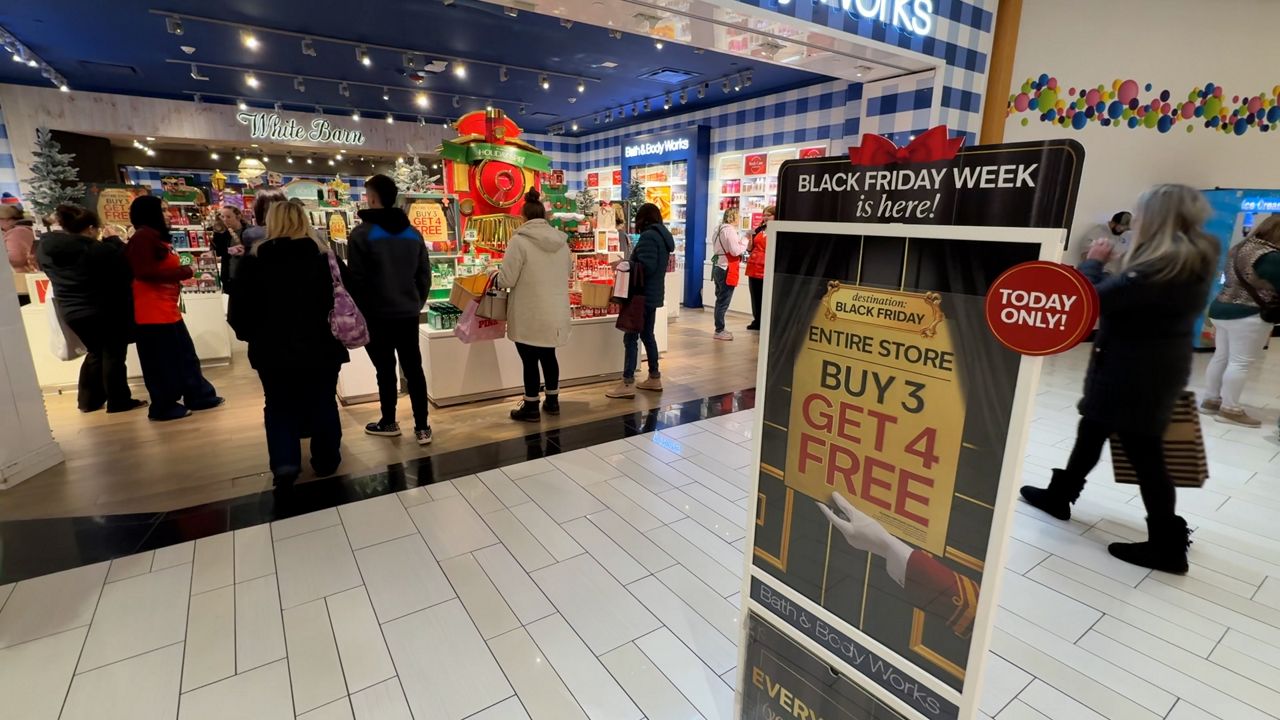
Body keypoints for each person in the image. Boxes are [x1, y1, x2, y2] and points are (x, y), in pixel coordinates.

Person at [1020, 184, 1219, 573]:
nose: (1136, 219)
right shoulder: (1192, 256)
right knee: (1092, 429)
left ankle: (1166, 545)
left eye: (1140, 213)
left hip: (1132, 373)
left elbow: (1088, 301)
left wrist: (1093, 262)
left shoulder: (1155, 269)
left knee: (1144, 454)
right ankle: (1060, 495)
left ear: (1156, 218)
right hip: (1154, 366)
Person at [228, 201, 349, 487]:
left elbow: (238, 314)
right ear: (303, 221)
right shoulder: (325, 258)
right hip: (322, 346)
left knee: (278, 404)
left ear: (272, 223)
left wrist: (252, 335)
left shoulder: (253, 260)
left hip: (271, 350)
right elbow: (349, 295)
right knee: (323, 401)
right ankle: (326, 460)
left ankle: (285, 464)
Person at [347, 175, 433, 445]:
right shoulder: (412, 233)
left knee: (384, 369)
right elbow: (424, 276)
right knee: (414, 369)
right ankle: (422, 427)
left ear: (373, 198)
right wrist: (415, 302)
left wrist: (363, 310)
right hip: (407, 313)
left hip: (376, 315)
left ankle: (389, 421)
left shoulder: (361, 234)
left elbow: (356, 281)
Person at [37, 205, 145, 414]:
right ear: (89, 228)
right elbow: (124, 268)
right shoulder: (95, 249)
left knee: (95, 352)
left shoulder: (46, 249)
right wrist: (114, 240)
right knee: (113, 354)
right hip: (104, 309)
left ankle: (89, 400)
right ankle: (119, 400)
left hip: (71, 311)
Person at [124, 195, 224, 421]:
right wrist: (184, 272)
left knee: (184, 356)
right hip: (151, 312)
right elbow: (145, 272)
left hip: (166, 309)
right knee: (162, 362)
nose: (169, 214)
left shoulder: (154, 237)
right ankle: (164, 405)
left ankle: (197, 395)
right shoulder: (143, 238)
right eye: (163, 210)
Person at [494, 191, 571, 422]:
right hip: (554, 309)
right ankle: (553, 401)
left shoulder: (519, 241)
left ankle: (531, 407)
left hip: (528, 311)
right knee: (549, 356)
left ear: (523, 217)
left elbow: (507, 280)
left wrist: (495, 275)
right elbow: (567, 272)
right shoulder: (561, 243)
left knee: (529, 360)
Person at [1200, 215, 1280, 427]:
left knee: (1221, 357)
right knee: (1240, 362)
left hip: (1222, 307)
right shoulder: (1271, 257)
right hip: (1248, 313)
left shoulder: (1240, 248)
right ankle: (1230, 410)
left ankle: (1211, 400)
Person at [606, 203, 674, 399]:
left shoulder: (649, 236)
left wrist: (624, 264)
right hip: (652, 294)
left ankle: (627, 383)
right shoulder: (662, 236)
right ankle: (654, 377)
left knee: (630, 337)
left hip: (640, 295)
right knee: (647, 335)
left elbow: (646, 266)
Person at [710, 208, 747, 340]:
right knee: (723, 301)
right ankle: (719, 330)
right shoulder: (729, 230)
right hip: (726, 267)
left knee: (719, 299)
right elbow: (735, 251)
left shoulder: (718, 229)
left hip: (718, 266)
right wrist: (745, 241)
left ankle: (719, 328)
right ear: (734, 217)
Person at [2, 204, 38, 306]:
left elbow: (16, 258)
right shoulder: (21, 231)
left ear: (8, 220)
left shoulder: (16, 233)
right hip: (21, 281)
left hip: (21, 281)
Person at [745, 205, 774, 331]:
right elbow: (749, 249)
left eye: (769, 215)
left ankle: (766, 322)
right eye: (764, 215)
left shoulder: (777, 231)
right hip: (754, 266)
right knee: (755, 296)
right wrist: (750, 238)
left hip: (767, 267)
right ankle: (757, 320)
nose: (766, 217)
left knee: (766, 297)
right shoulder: (759, 229)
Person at [211, 205, 245, 293]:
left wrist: (245, 251)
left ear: (238, 217)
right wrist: (229, 250)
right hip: (230, 278)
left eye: (228, 217)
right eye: (222, 217)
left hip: (248, 277)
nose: (225, 220)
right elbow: (217, 252)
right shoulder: (221, 233)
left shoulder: (249, 231)